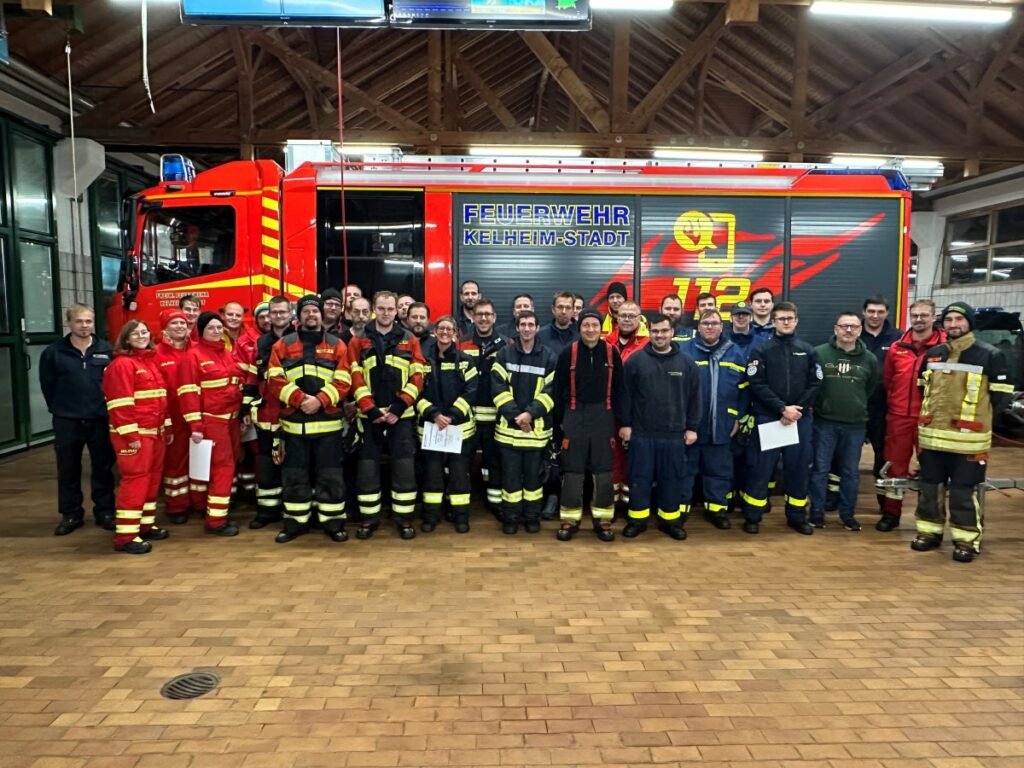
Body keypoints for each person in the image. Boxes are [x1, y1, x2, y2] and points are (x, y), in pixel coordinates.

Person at [912, 302, 1012, 563]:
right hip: (933, 437)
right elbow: (923, 389)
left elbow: (1000, 401)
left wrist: (978, 420)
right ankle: (929, 533)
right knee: (929, 489)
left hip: (969, 441)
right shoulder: (933, 354)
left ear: (969, 323)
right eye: (949, 320)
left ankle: (966, 541)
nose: (953, 324)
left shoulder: (990, 355)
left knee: (963, 492)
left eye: (959, 319)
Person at [268, 295, 352, 544]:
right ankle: (295, 523)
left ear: (321, 314)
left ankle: (333, 523)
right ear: (299, 316)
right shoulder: (282, 345)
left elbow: (344, 379)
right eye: (307, 312)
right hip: (294, 427)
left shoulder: (337, 345)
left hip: (328, 428)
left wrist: (320, 401)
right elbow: (274, 379)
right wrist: (300, 400)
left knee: (331, 477)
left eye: (315, 311)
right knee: (295, 478)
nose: (311, 315)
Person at [348, 291, 426, 539]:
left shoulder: (409, 339)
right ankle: (369, 519)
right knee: (367, 467)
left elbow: (418, 375)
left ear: (396, 311)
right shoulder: (358, 340)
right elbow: (353, 375)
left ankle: (404, 519)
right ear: (374, 309)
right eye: (380, 308)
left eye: (390, 309)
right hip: (369, 417)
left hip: (400, 417)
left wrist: (398, 407)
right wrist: (370, 409)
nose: (385, 313)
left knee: (404, 468)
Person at [618, 314, 701, 540]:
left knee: (672, 480)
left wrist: (692, 427)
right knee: (640, 479)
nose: (660, 335)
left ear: (672, 332)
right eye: (655, 331)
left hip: (674, 435)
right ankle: (637, 520)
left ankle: (669, 521)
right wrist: (625, 424)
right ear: (649, 332)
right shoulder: (635, 361)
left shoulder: (687, 364)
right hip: (642, 434)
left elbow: (695, 399)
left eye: (664, 331)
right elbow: (624, 396)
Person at [741, 301, 821, 536]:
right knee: (761, 470)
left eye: (790, 318)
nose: (786, 322)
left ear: (796, 321)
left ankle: (797, 516)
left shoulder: (807, 350)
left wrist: (796, 409)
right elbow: (756, 384)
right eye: (781, 318)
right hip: (770, 418)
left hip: (799, 419)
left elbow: (815, 383)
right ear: (773, 321)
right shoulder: (761, 351)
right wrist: (780, 409)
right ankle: (752, 517)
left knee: (798, 471)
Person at [39, 304, 116, 536]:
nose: (84, 326)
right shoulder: (53, 352)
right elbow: (47, 386)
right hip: (67, 420)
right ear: (69, 323)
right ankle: (71, 514)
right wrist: (61, 409)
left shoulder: (106, 350)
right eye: (79, 321)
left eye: (89, 321)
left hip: (100, 418)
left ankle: (105, 511)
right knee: (68, 468)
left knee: (103, 467)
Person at [554, 307, 623, 542]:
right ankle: (569, 520)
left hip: (604, 416)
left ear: (600, 328)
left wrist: (624, 423)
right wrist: (558, 424)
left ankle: (603, 520)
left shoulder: (612, 353)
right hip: (574, 415)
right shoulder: (567, 354)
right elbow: (556, 391)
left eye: (595, 325)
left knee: (603, 471)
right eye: (586, 325)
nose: (590, 329)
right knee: (572, 471)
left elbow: (621, 392)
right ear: (579, 327)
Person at [103, 320, 171, 554]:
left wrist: (167, 427)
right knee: (135, 481)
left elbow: (161, 398)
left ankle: (144, 524)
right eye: (136, 333)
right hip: (135, 435)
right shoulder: (121, 365)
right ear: (126, 338)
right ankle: (125, 536)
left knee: (151, 480)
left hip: (155, 433)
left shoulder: (150, 362)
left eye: (144, 332)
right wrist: (131, 435)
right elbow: (119, 404)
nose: (141, 336)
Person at [808, 311, 880, 531]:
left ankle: (847, 515)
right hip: (824, 423)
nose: (849, 330)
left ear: (860, 330)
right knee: (820, 470)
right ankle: (817, 513)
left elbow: (869, 389)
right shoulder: (819, 353)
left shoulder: (870, 359)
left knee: (850, 472)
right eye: (844, 326)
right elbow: (812, 386)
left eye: (854, 327)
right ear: (835, 329)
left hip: (855, 425)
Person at [877, 300, 945, 531]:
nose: (919, 319)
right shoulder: (898, 347)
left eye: (924, 315)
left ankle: (930, 518)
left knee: (932, 468)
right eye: (915, 315)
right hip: (899, 416)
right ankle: (891, 514)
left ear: (934, 317)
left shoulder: (946, 347)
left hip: (931, 418)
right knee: (895, 467)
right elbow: (888, 380)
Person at [177, 311, 246, 536]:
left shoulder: (227, 353)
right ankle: (216, 521)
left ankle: (211, 508)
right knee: (222, 468)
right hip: (211, 421)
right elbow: (188, 393)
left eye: (219, 327)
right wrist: (195, 425)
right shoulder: (192, 356)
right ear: (201, 330)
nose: (216, 331)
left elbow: (237, 383)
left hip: (232, 421)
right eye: (211, 328)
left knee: (228, 465)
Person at [492, 310, 557, 534]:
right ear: (517, 328)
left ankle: (531, 518)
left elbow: (551, 393)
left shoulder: (549, 357)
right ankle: (510, 518)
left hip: (535, 434)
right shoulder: (504, 354)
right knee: (510, 482)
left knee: (533, 482)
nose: (527, 328)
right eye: (523, 324)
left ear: (537, 328)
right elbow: (498, 390)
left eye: (531, 324)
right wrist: (518, 417)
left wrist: (529, 414)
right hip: (509, 434)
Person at [683, 309, 748, 530]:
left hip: (722, 424)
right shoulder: (685, 352)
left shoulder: (736, 353)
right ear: (698, 327)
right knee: (685, 469)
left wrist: (737, 417)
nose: (710, 327)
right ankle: (681, 509)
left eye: (714, 323)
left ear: (722, 326)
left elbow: (744, 390)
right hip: (691, 425)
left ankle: (716, 509)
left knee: (719, 471)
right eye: (705, 323)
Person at [416, 315, 478, 533]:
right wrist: (433, 414)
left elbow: (471, 392)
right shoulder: (422, 361)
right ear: (435, 332)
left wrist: (450, 416)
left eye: (448, 329)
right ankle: (431, 516)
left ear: (455, 334)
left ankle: (460, 516)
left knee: (460, 476)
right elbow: (415, 392)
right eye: (441, 329)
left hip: (458, 430)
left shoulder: (465, 361)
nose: (444, 333)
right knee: (432, 475)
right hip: (431, 429)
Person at [240, 295, 294, 530]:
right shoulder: (262, 342)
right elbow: (253, 376)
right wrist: (247, 405)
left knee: (293, 464)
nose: (279, 316)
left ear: (291, 314)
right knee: (266, 465)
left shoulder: (299, 339)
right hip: (267, 414)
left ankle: (292, 509)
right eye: (275, 312)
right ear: (268, 316)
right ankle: (267, 511)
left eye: (283, 312)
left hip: (293, 413)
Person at [459, 298, 509, 512]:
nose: (483, 318)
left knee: (494, 462)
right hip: (466, 417)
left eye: (488, 314)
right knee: (461, 463)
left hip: (495, 417)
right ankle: (460, 504)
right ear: (473, 317)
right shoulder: (462, 343)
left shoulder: (507, 345)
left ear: (494, 318)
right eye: (479, 314)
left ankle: (496, 504)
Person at [859, 295, 902, 508]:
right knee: (844, 456)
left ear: (887, 313)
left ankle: (884, 499)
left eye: (880, 312)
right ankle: (834, 498)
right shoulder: (853, 334)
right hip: (856, 406)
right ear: (863, 312)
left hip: (885, 408)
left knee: (883, 456)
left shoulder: (898, 338)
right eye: (871, 311)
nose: (875, 316)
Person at [605, 300, 649, 508]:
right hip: (609, 413)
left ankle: (633, 505)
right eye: (623, 315)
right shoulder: (604, 342)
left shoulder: (649, 344)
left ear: (640, 319)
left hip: (640, 414)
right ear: (616, 317)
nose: (627, 319)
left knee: (637, 461)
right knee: (612, 460)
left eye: (633, 316)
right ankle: (611, 503)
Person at [154, 309, 194, 524]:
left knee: (197, 461)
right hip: (173, 417)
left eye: (183, 323)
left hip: (196, 415)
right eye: (174, 323)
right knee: (175, 463)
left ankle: (198, 501)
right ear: (165, 328)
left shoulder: (195, 350)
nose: (180, 326)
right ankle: (177, 505)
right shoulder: (157, 354)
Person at [536, 291, 580, 359]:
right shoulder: (540, 335)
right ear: (553, 309)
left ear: (573, 310)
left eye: (568, 308)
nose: (564, 312)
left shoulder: (582, 334)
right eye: (560, 307)